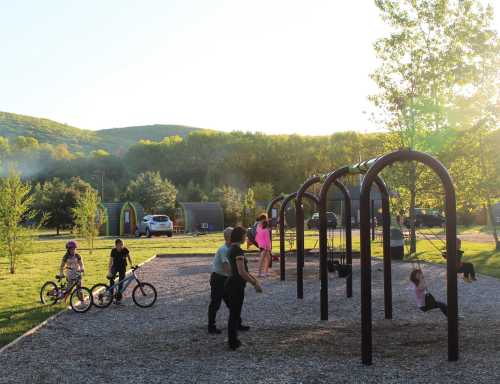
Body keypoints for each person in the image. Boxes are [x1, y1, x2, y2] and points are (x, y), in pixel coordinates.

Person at [224, 226, 263, 350]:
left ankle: (233, 339)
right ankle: (233, 342)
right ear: (240, 236)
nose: (246, 238)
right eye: (245, 235)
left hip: (232, 284)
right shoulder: (238, 251)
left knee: (234, 314)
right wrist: (254, 283)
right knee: (234, 314)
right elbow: (241, 272)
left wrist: (254, 279)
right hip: (235, 285)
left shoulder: (232, 249)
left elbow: (239, 270)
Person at [208, 227, 233, 334]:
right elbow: (226, 266)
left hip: (224, 278)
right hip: (218, 279)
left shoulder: (231, 248)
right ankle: (211, 326)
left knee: (232, 303)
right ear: (230, 238)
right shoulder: (224, 249)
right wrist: (234, 276)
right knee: (215, 303)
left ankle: (237, 323)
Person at [107, 238, 133, 304]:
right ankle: (111, 294)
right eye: (119, 245)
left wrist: (131, 265)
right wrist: (109, 271)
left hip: (122, 267)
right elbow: (110, 261)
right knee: (111, 280)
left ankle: (118, 298)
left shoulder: (125, 250)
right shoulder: (113, 251)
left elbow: (129, 257)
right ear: (116, 245)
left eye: (122, 245)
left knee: (121, 282)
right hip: (115, 267)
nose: (121, 246)